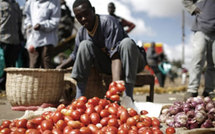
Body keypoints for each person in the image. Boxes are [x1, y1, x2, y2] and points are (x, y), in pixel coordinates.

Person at [57, 0, 147, 101]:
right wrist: (59, 67)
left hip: (131, 62)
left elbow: (115, 56)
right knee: (84, 45)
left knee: (127, 43)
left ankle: (128, 98)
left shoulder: (108, 22)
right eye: (79, 17)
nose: (83, 19)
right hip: (108, 65)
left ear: (93, 10)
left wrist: (114, 90)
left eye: (86, 14)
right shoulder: (82, 32)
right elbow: (75, 55)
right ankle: (79, 99)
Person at [183, 0, 215, 99]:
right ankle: (192, 90)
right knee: (197, 58)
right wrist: (193, 9)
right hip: (201, 29)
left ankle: (209, 90)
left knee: (213, 63)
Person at [23, 0, 61, 68]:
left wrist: (41, 26)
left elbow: (55, 21)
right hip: (33, 39)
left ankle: (48, 78)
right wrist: (29, 25)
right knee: (34, 63)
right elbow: (27, 18)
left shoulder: (55, 2)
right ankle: (34, 78)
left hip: (48, 39)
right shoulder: (30, 2)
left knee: (46, 61)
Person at [0, 0, 22, 91]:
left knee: (11, 66)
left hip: (14, 40)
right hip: (2, 39)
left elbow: (19, 22)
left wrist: (21, 38)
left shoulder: (15, 5)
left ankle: (7, 87)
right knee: (1, 64)